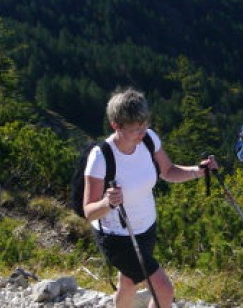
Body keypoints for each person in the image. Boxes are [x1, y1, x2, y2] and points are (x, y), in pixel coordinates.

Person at [79, 88, 217, 308]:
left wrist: (198, 171)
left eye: (144, 125)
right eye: (135, 129)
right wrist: (107, 202)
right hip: (118, 235)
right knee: (164, 289)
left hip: (145, 228)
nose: (142, 132)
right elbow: (89, 211)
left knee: (129, 283)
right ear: (116, 125)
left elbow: (168, 171)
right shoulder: (101, 157)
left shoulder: (149, 139)